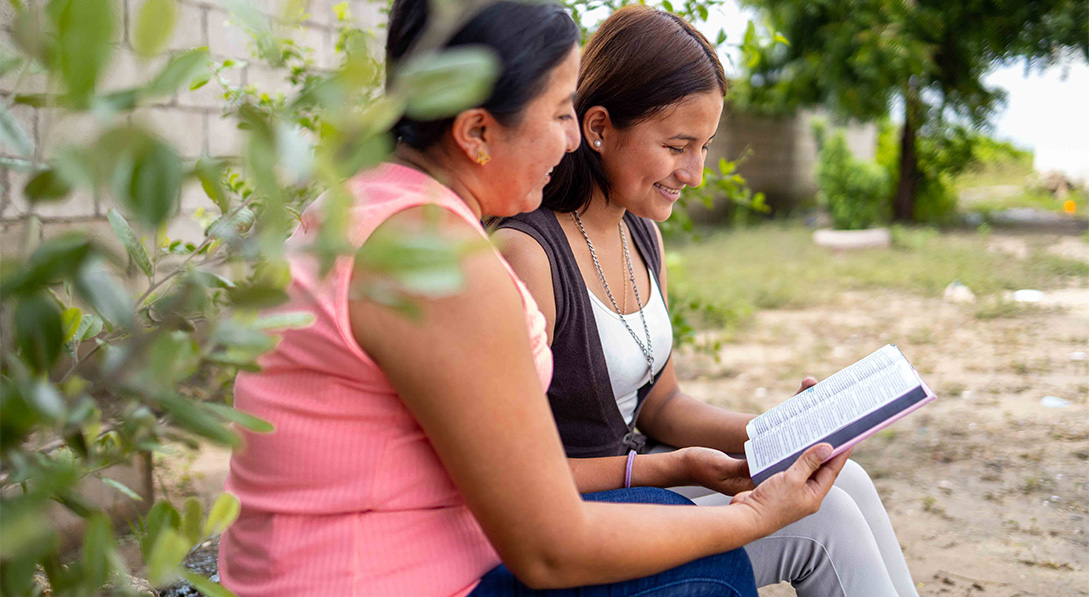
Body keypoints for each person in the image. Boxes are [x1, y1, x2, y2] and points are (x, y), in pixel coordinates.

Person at [218, 0, 850, 595]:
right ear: (476, 132)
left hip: (355, 565)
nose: (573, 139)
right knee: (712, 566)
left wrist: (692, 466)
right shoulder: (439, 262)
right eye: (558, 114)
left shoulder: (369, 207)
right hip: (377, 580)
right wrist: (754, 516)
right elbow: (550, 549)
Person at [495, 6, 919, 597]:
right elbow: (512, 479)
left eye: (704, 147)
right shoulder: (529, 256)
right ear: (597, 127)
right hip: (574, 512)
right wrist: (673, 465)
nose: (695, 173)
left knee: (852, 485)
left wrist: (777, 434)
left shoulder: (642, 235)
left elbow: (660, 403)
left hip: (632, 483)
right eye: (677, 146)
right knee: (827, 521)